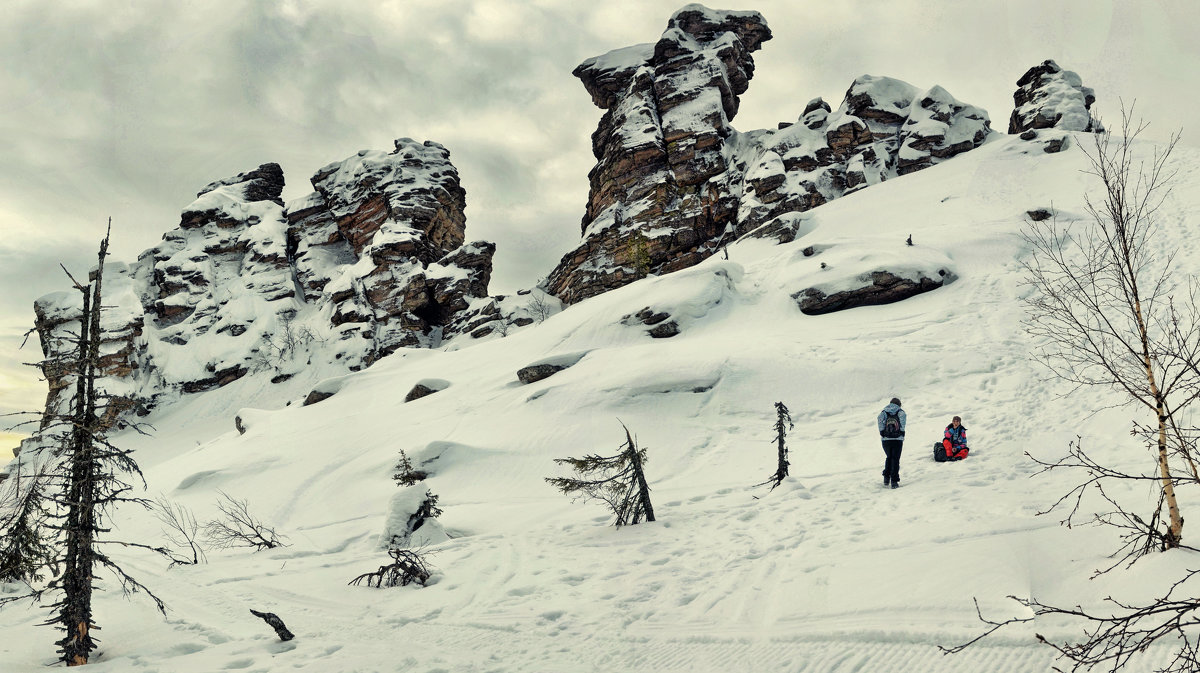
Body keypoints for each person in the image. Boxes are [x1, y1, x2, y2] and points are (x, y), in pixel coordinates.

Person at [877, 397, 906, 489]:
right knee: (895, 459)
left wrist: (882, 431)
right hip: (897, 439)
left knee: (889, 457)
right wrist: (901, 432)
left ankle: (886, 478)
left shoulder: (884, 412)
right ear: (899, 404)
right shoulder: (901, 412)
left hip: (886, 440)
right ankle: (894, 481)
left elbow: (879, 419)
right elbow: (902, 422)